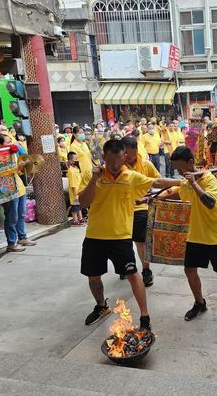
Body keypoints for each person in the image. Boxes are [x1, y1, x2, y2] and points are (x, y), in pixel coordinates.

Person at [79, 139, 176, 329]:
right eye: (110, 161)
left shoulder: (131, 176)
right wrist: (93, 179)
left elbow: (156, 181)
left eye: (119, 160)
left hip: (121, 238)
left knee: (133, 275)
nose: (115, 166)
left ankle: (145, 316)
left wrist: (183, 180)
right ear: (103, 157)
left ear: (125, 157)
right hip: (94, 237)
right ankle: (101, 306)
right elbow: (83, 202)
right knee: (93, 277)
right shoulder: (93, 176)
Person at [167, 146, 217, 344]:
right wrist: (154, 197)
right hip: (195, 235)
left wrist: (194, 184)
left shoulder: (209, 180)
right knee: (189, 270)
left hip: (216, 237)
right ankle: (200, 303)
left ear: (191, 163)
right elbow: (179, 194)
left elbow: (209, 202)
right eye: (177, 170)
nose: (180, 173)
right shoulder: (186, 182)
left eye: (181, 169)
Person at [121, 136, 160, 287]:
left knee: (140, 242)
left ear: (136, 151)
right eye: (124, 155)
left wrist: (150, 196)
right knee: (122, 241)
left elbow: (158, 181)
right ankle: (124, 265)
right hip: (121, 209)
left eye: (130, 155)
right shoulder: (117, 166)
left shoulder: (146, 165)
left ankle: (146, 270)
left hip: (140, 208)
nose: (127, 158)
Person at [0, 134, 37, 252]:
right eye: (8, 142)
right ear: (0, 145)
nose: (11, 144)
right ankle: (11, 242)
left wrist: (24, 166)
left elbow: (21, 168)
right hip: (9, 189)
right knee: (11, 217)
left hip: (19, 187)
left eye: (11, 141)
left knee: (21, 214)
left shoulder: (13, 153)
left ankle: (22, 237)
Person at [69, 126, 94, 192]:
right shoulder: (73, 146)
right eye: (80, 133)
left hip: (89, 171)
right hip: (82, 173)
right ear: (74, 134)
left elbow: (89, 157)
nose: (82, 134)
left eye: (83, 132)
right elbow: (73, 162)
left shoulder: (84, 144)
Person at [67, 151, 84, 227]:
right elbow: (73, 185)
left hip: (79, 192)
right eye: (75, 159)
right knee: (75, 208)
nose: (77, 160)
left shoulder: (76, 169)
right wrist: (76, 195)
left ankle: (80, 218)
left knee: (79, 207)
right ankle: (75, 220)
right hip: (75, 194)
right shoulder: (71, 171)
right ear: (70, 161)